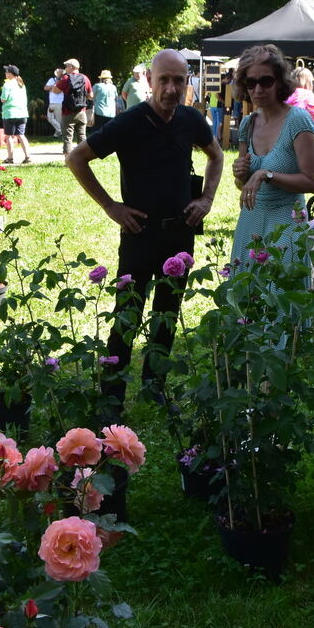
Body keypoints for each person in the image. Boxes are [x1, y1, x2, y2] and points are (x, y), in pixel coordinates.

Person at [66, 49, 223, 416]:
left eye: (178, 81)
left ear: (187, 83)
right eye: (163, 80)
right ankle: (112, 398)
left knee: (168, 314)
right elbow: (76, 159)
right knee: (127, 315)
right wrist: (110, 206)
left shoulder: (190, 119)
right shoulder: (130, 122)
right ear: (150, 80)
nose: (171, 88)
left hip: (180, 234)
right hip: (139, 235)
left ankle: (155, 388)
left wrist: (206, 199)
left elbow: (216, 156)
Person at [230, 44, 314, 271]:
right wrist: (240, 174)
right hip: (250, 223)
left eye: (266, 81)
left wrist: (267, 174)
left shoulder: (297, 120)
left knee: (280, 286)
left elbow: (313, 182)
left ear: (280, 81)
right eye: (251, 82)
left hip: (286, 223)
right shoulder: (247, 124)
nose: (258, 89)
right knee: (247, 287)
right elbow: (244, 186)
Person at [57, 58, 93, 155]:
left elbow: (55, 90)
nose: (65, 68)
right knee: (82, 136)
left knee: (68, 137)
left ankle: (68, 159)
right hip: (81, 112)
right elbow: (91, 95)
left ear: (71, 67)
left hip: (67, 112)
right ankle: (84, 157)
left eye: (66, 66)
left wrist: (59, 77)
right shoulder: (85, 78)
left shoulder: (65, 78)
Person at [0, 66, 31, 164]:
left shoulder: (7, 84)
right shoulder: (21, 84)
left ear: (10, 74)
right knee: (21, 135)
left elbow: (3, 99)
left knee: (9, 136)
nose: (5, 73)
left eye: (6, 72)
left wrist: (2, 98)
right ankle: (28, 157)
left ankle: (10, 158)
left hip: (10, 113)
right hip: (22, 113)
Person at [44, 67, 64, 138]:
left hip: (59, 103)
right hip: (52, 103)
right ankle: (61, 131)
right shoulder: (52, 79)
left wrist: (55, 86)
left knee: (59, 120)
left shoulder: (64, 80)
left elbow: (60, 90)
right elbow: (45, 88)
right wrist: (53, 86)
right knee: (50, 118)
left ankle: (57, 134)